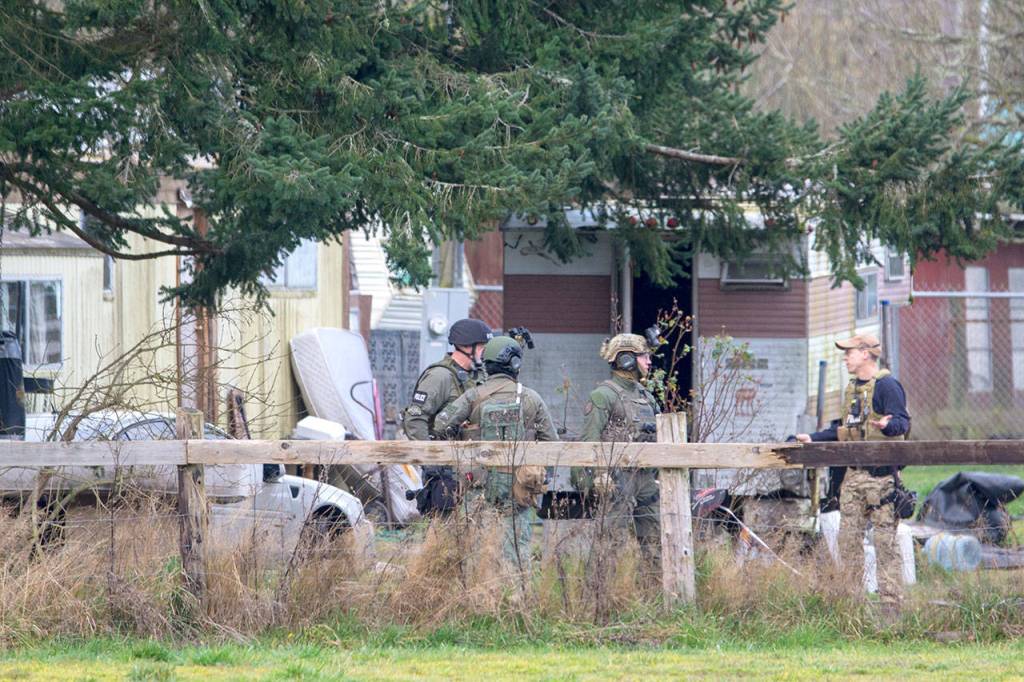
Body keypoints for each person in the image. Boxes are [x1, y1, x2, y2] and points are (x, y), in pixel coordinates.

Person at [795, 333, 911, 614]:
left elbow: (902, 422)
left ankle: (891, 609)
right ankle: (852, 605)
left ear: (865, 353)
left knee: (885, 543)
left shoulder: (887, 386)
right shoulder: (852, 390)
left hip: (882, 478)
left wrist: (888, 425)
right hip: (853, 477)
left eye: (849, 352)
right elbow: (843, 431)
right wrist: (814, 438)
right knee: (848, 543)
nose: (845, 357)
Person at [432, 335, 558, 566]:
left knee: (475, 548)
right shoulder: (531, 398)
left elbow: (440, 425)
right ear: (515, 364)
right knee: (517, 548)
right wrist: (543, 478)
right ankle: (516, 596)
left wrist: (463, 431)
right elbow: (552, 443)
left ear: (486, 364)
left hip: (478, 482)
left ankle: (478, 594)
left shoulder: (472, 396)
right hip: (519, 484)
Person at [576, 333, 662, 569]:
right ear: (626, 360)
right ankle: (601, 595)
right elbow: (589, 441)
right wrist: (596, 476)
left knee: (656, 541)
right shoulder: (603, 395)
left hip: (646, 478)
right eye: (644, 356)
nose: (649, 361)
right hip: (616, 479)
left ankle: (655, 595)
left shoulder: (646, 397)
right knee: (611, 542)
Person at [403, 318, 493, 514]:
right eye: (482, 348)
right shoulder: (440, 377)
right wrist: (431, 461)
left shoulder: (474, 377)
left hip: (469, 467)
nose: (485, 353)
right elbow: (414, 419)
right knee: (442, 530)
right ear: (466, 347)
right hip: (445, 470)